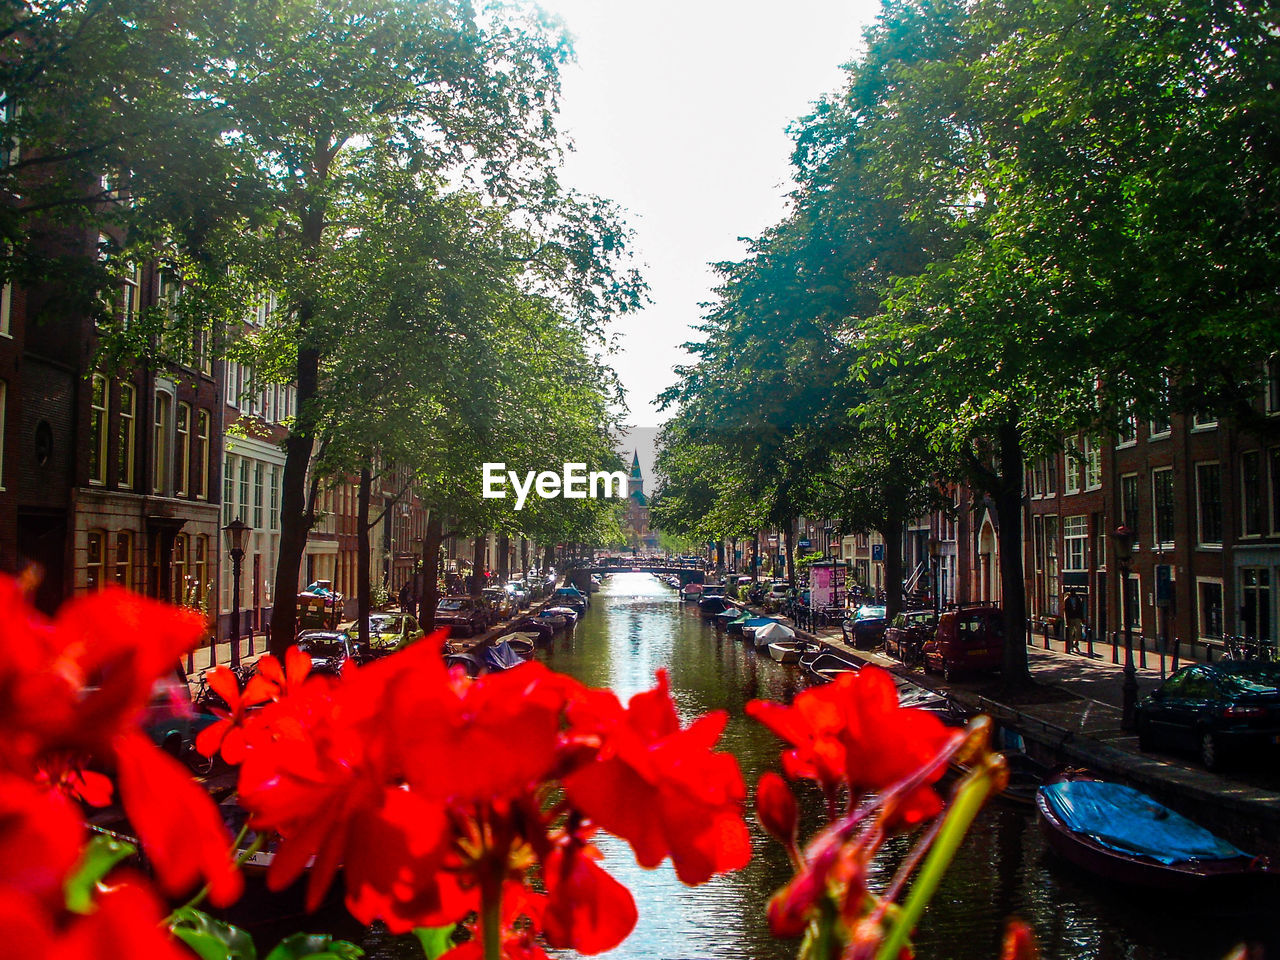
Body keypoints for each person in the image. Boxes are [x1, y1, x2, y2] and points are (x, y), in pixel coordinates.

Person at [1063, 588, 1085, 654]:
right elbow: (1066, 610)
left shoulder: (1078, 599)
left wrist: (1082, 618)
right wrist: (1066, 619)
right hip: (1070, 617)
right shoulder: (1066, 600)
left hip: (1077, 617)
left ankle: (1076, 642)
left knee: (1078, 630)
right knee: (1070, 632)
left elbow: (1081, 609)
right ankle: (1071, 644)